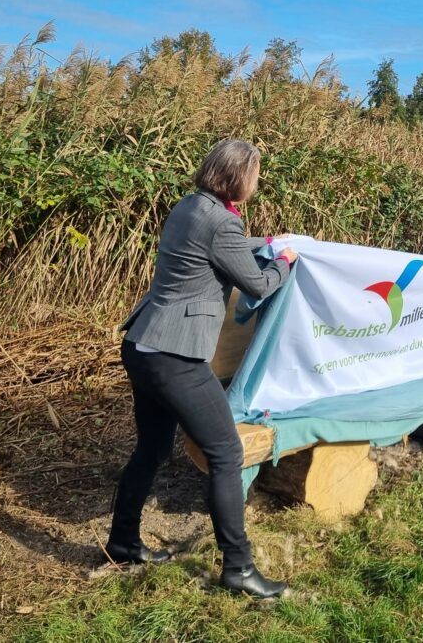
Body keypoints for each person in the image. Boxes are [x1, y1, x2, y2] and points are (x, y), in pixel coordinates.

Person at [109, 140, 298, 598]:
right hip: (176, 357)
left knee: (152, 449)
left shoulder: (192, 206)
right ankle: (238, 568)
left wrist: (267, 243)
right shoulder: (222, 221)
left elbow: (225, 244)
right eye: (254, 175)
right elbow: (257, 282)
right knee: (226, 454)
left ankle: (123, 542)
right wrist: (284, 263)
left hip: (143, 345)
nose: (256, 183)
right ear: (239, 178)